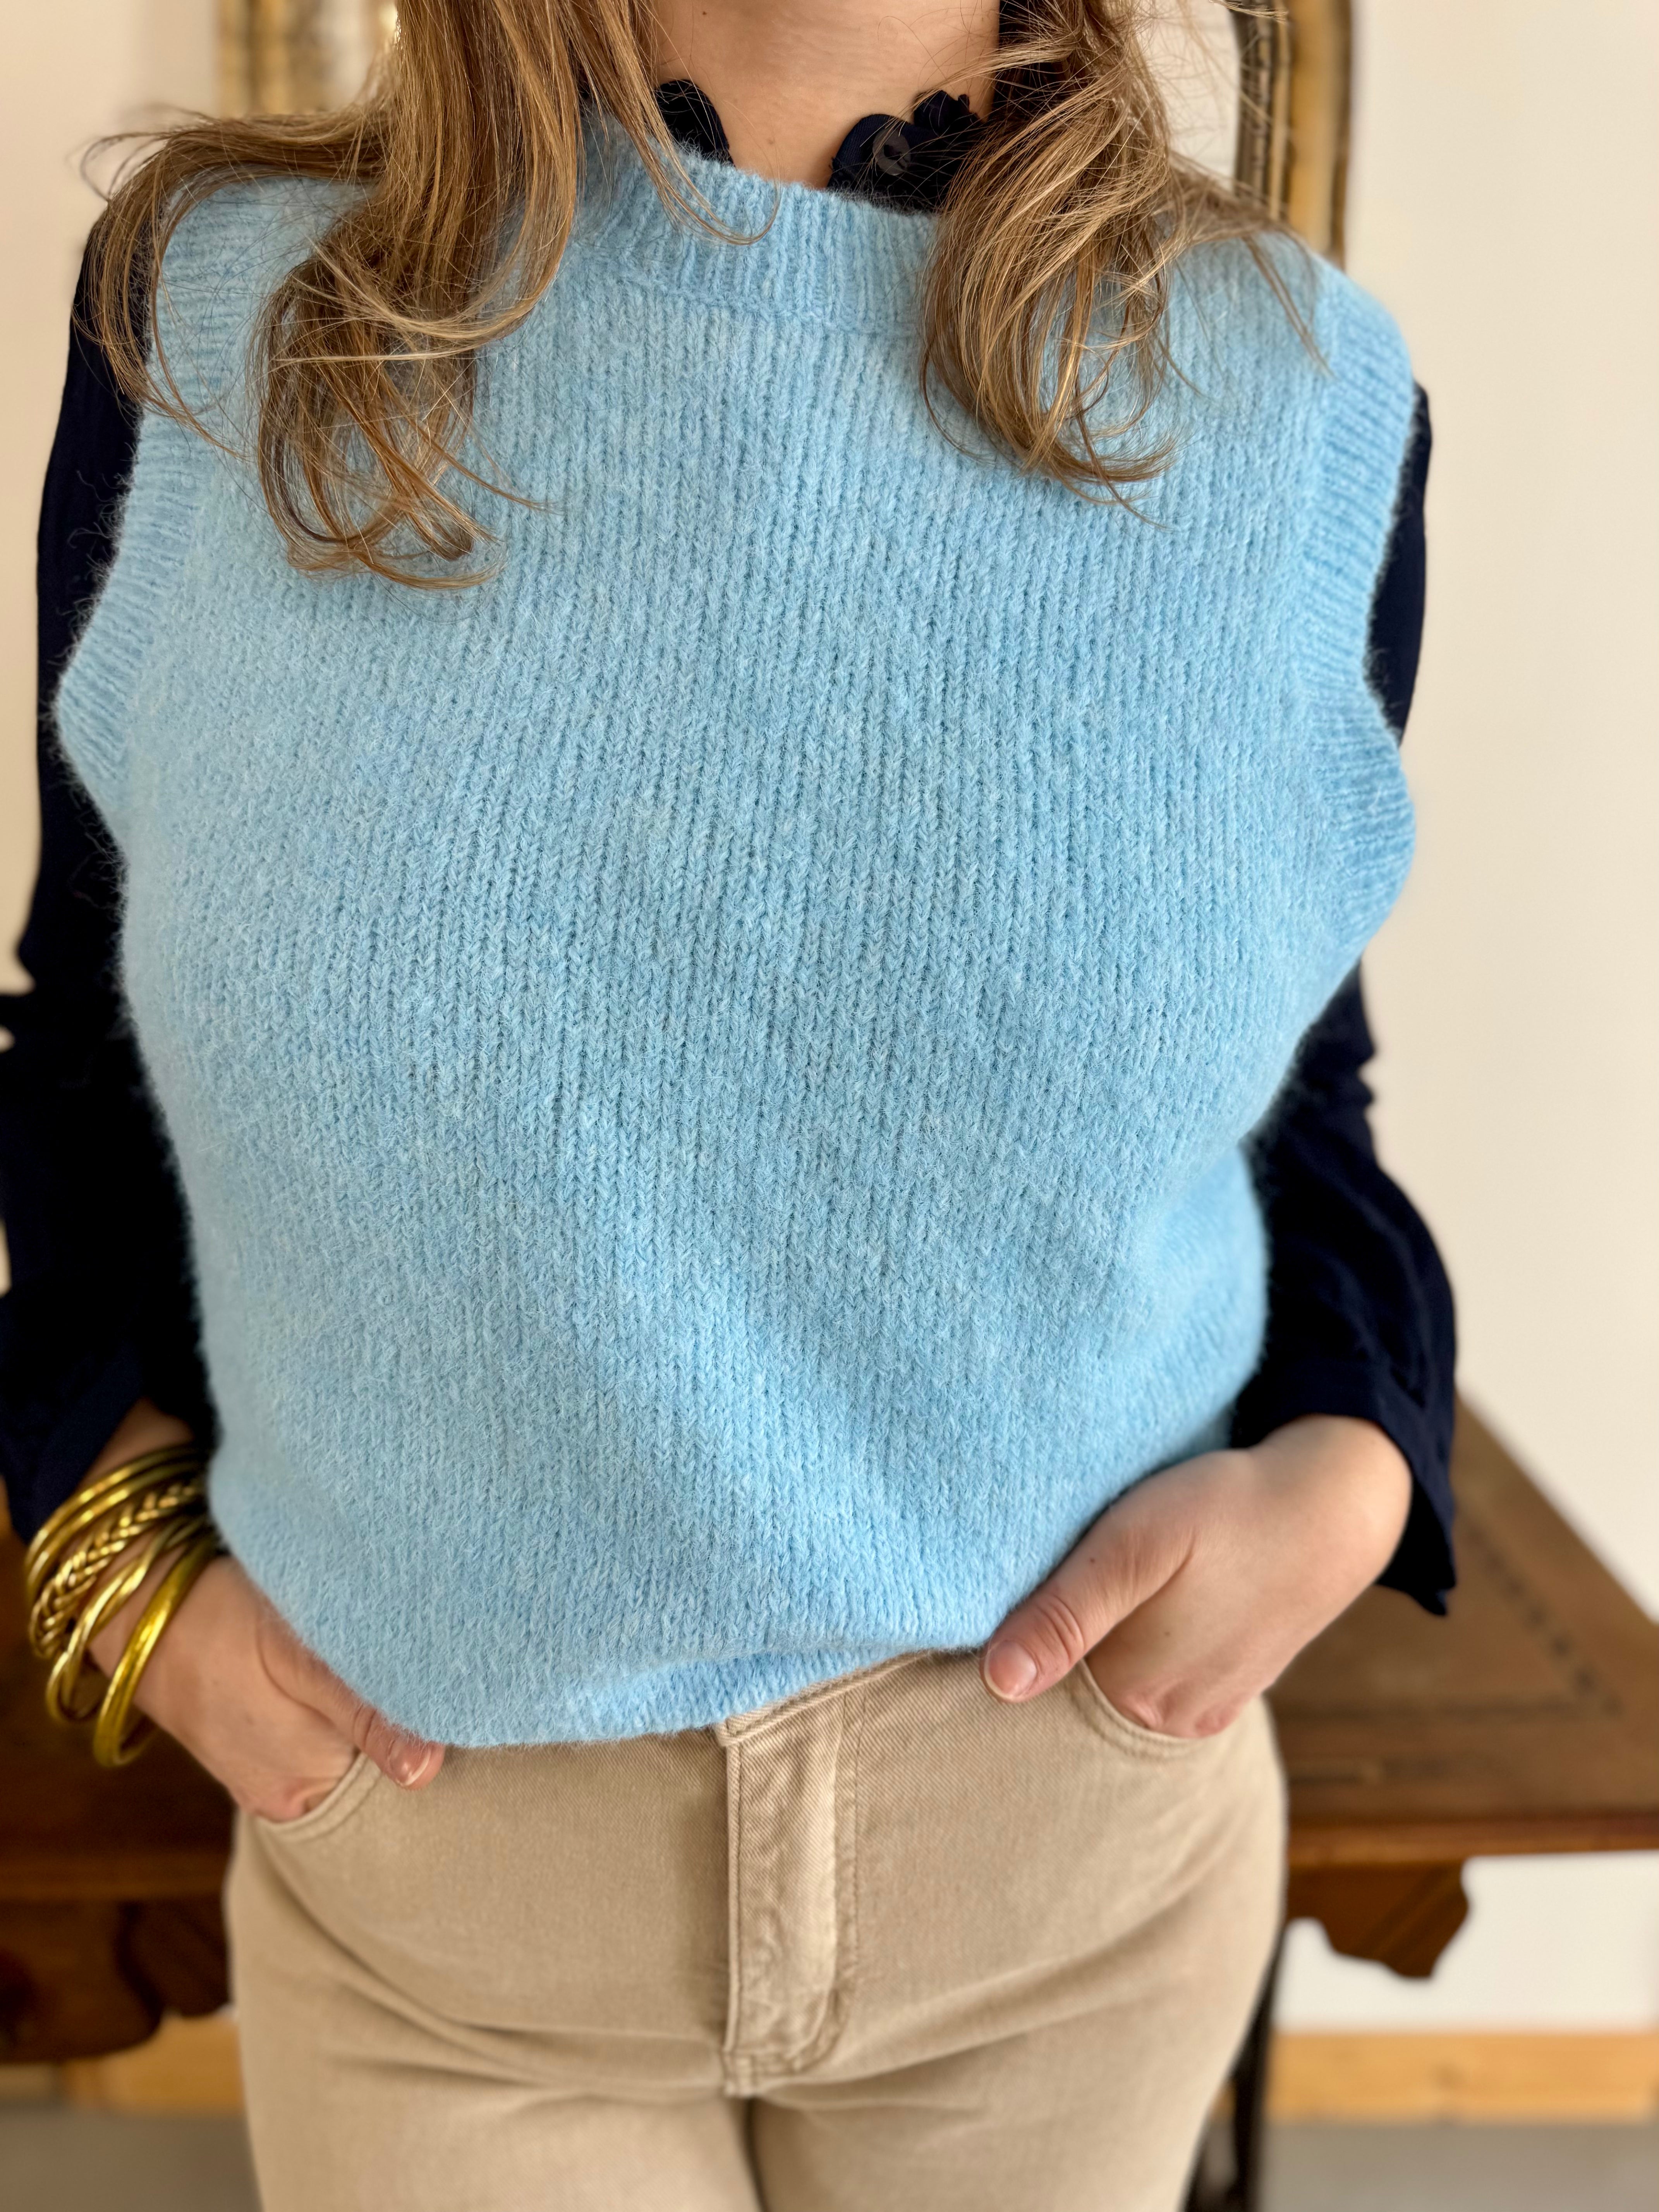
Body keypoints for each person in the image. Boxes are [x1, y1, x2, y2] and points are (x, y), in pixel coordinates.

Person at [3, 0, 1455, 2205]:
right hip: (436, 1904)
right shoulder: (218, 319)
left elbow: (1296, 1085)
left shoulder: (1304, 402)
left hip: (1072, 1888)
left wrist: (1360, 1451)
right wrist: (98, 1531)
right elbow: (83, 1035)